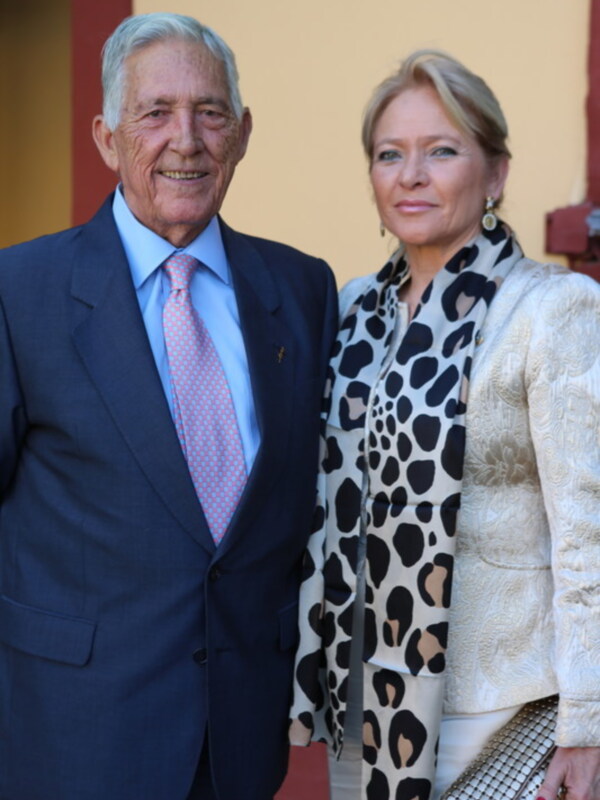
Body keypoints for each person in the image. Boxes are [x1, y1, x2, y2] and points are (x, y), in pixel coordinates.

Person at [0, 12, 337, 800]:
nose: (185, 140)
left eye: (210, 112)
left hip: (242, 742)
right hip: (72, 737)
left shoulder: (302, 290)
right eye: (154, 113)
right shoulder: (22, 294)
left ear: (243, 133)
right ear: (107, 138)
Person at [289, 50, 600, 800]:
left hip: (507, 709)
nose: (411, 174)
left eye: (442, 151)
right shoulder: (354, 310)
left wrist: (588, 724)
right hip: (365, 695)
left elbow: (590, 530)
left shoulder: (552, 312)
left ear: (495, 175)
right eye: (389, 154)